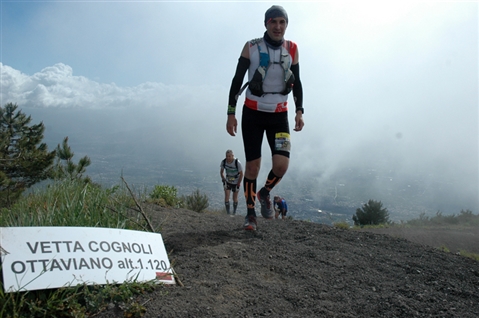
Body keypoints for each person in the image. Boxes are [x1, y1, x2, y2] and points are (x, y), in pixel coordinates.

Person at [226, 5, 304, 230]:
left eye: (282, 22)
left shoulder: (292, 48)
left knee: (281, 166)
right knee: (252, 168)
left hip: (279, 115)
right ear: (266, 24)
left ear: (286, 25)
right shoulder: (251, 47)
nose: (278, 27)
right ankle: (250, 214)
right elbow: (236, 81)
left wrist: (300, 111)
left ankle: (264, 192)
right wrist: (231, 113)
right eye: (273, 22)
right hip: (252, 113)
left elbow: (297, 81)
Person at [220, 150, 243, 215]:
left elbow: (241, 174)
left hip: (236, 182)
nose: (228, 158)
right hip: (228, 181)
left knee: (234, 197)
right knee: (227, 196)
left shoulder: (237, 162)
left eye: (229, 156)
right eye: (227, 156)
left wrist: (239, 183)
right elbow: (221, 172)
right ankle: (228, 212)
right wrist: (223, 179)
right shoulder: (224, 162)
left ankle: (234, 212)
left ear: (233, 156)